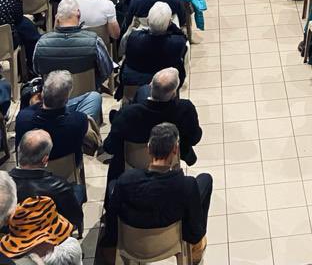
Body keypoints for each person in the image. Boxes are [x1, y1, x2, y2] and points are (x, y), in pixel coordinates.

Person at [105, 122, 212, 253]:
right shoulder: (186, 185)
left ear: (149, 149)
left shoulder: (126, 180)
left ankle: (110, 248)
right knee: (205, 179)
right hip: (171, 241)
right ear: (175, 150)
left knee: (113, 186)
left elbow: (113, 213)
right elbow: (195, 228)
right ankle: (196, 248)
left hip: (133, 243)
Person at [15, 71, 94, 168]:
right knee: (94, 97)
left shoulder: (22, 118)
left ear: (42, 94)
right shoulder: (80, 120)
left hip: (32, 171)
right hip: (68, 170)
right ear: (67, 100)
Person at [10, 130, 84, 231]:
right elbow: (76, 219)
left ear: (18, 151)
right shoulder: (60, 186)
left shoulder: (3, 184)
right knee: (79, 189)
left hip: (12, 235)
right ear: (45, 159)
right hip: (50, 235)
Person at [120, 2, 188, 90]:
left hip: (135, 80)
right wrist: (171, 25)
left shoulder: (134, 37)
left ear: (148, 21)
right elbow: (181, 35)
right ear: (170, 23)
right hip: (165, 83)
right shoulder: (178, 42)